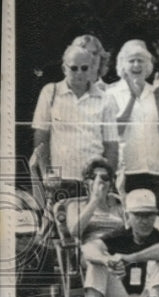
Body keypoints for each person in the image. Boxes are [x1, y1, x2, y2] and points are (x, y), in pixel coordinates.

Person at [31, 44, 119, 199]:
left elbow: (111, 146)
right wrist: (46, 172)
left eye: (84, 68)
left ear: (92, 69)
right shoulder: (50, 93)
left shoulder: (106, 100)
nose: (79, 73)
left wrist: (107, 180)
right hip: (60, 181)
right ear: (64, 68)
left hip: (94, 182)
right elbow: (41, 136)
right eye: (74, 68)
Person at [108, 39, 159, 220]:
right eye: (131, 61)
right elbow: (116, 131)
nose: (137, 65)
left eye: (141, 60)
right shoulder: (112, 93)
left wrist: (156, 94)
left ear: (148, 65)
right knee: (133, 221)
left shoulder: (158, 92)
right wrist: (132, 97)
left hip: (158, 168)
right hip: (129, 169)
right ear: (122, 65)